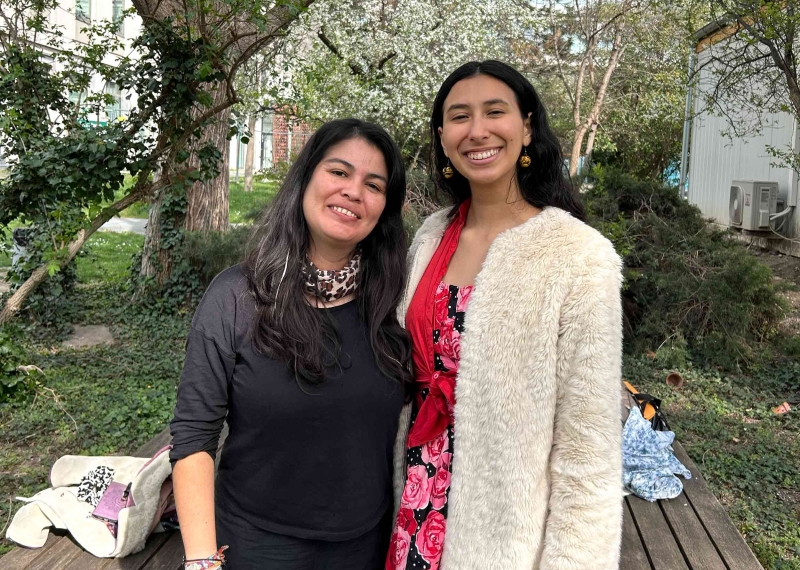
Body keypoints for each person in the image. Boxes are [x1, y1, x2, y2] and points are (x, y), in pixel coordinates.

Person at [387, 60, 624, 570]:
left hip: (503, 531)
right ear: (442, 137)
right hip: (413, 499)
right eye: (459, 116)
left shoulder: (578, 257)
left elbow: (589, 450)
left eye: (495, 111)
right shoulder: (431, 236)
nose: (477, 131)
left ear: (527, 127)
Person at [170, 118, 414, 570]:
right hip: (254, 546)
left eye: (373, 184)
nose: (353, 192)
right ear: (306, 178)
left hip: (366, 546)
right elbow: (194, 437)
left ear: (385, 206)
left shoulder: (397, 301)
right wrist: (202, 561)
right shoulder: (236, 298)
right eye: (339, 172)